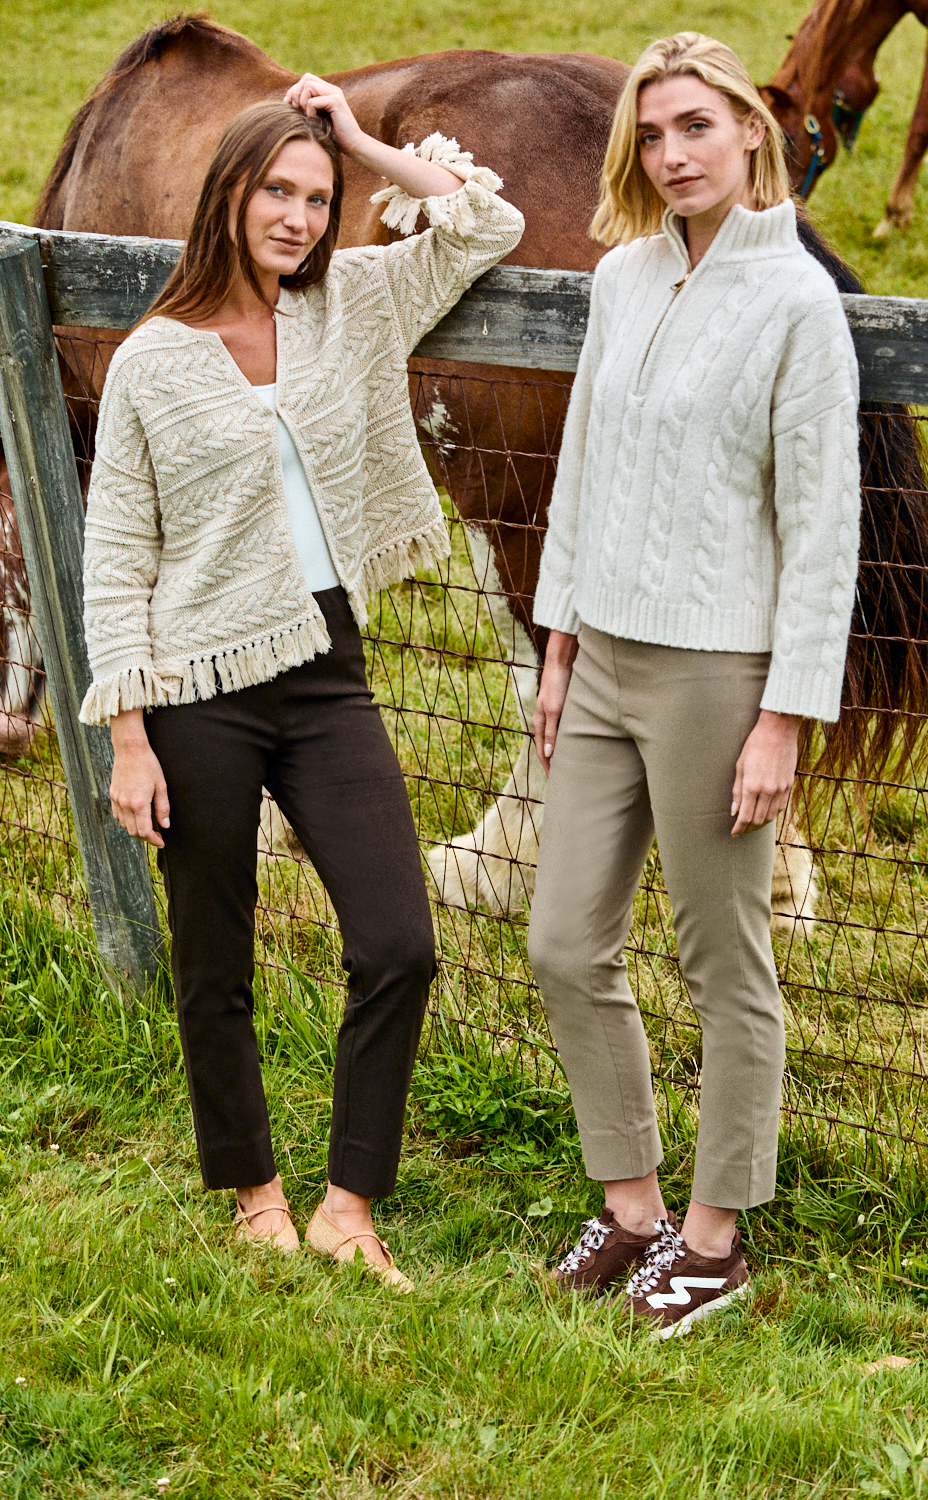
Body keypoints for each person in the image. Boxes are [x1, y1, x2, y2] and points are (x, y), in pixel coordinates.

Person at [80, 77, 523, 1283]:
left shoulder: (356, 304)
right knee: (213, 958)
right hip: (197, 687)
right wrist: (129, 737)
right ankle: (254, 1191)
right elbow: (116, 557)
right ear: (229, 194)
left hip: (328, 673)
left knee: (399, 941)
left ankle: (348, 1203)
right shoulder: (151, 365)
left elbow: (488, 224)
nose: (298, 217)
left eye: (318, 200)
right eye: (276, 190)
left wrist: (362, 141)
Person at [527, 32, 860, 1336]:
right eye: (652, 136)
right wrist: (556, 645)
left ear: (748, 131)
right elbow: (584, 467)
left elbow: (822, 527)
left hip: (720, 670)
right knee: (563, 942)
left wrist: (785, 713)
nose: (672, 155)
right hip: (600, 653)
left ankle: (715, 1240)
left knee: (725, 960)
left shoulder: (798, 304)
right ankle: (633, 1210)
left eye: (694, 129)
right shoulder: (622, 277)